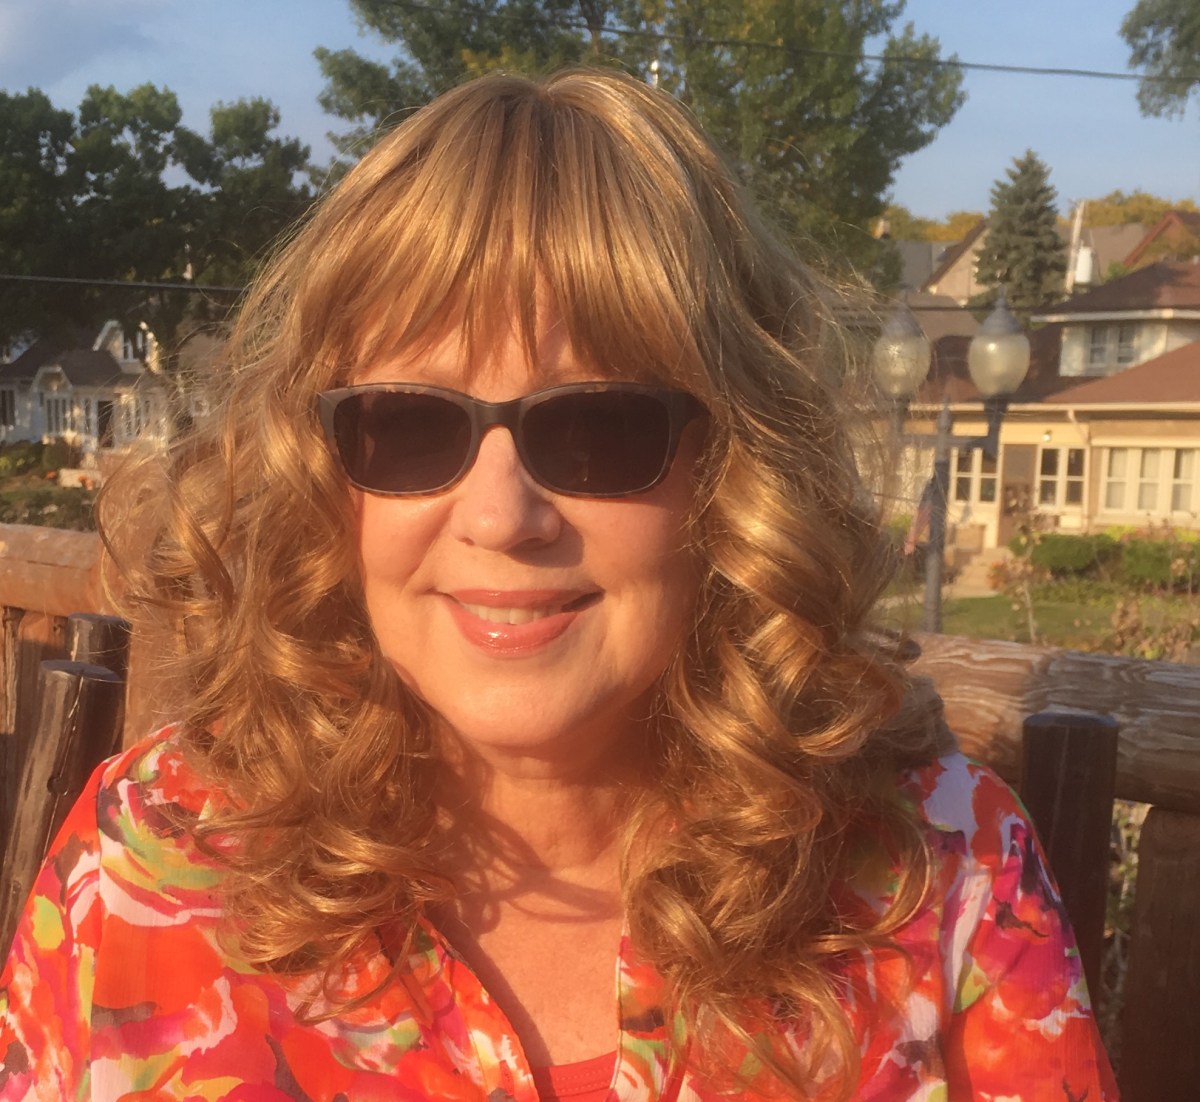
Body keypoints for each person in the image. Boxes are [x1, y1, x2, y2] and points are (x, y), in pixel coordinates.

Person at [0, 69, 1116, 1101]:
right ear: (323, 475)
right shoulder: (150, 864)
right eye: (407, 427)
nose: (500, 516)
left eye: (596, 430)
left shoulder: (943, 875)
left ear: (735, 473)